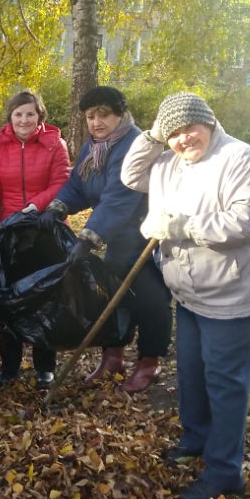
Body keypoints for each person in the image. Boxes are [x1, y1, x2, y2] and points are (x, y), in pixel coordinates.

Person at [122, 92, 250, 499]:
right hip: (188, 290)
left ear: (208, 121)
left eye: (189, 127)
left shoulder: (240, 159)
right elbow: (130, 174)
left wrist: (182, 226)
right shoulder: (169, 161)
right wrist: (155, 135)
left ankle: (225, 471)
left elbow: (247, 222)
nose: (183, 139)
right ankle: (196, 438)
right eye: (173, 133)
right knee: (190, 372)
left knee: (224, 382)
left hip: (231, 291)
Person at [42, 86, 173, 393]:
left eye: (103, 114)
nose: (96, 122)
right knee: (111, 299)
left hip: (145, 236)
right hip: (116, 237)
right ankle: (113, 357)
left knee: (151, 300)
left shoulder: (132, 145)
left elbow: (118, 197)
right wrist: (57, 208)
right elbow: (78, 184)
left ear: (119, 115)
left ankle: (149, 362)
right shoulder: (95, 147)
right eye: (90, 116)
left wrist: (88, 239)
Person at [0, 90, 71, 387]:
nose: (24, 120)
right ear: (10, 117)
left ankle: (44, 366)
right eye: (18, 114)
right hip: (10, 235)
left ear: (40, 116)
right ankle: (10, 366)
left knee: (46, 300)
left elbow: (62, 183)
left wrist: (36, 206)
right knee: (10, 300)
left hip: (46, 231)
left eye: (30, 114)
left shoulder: (56, 144)